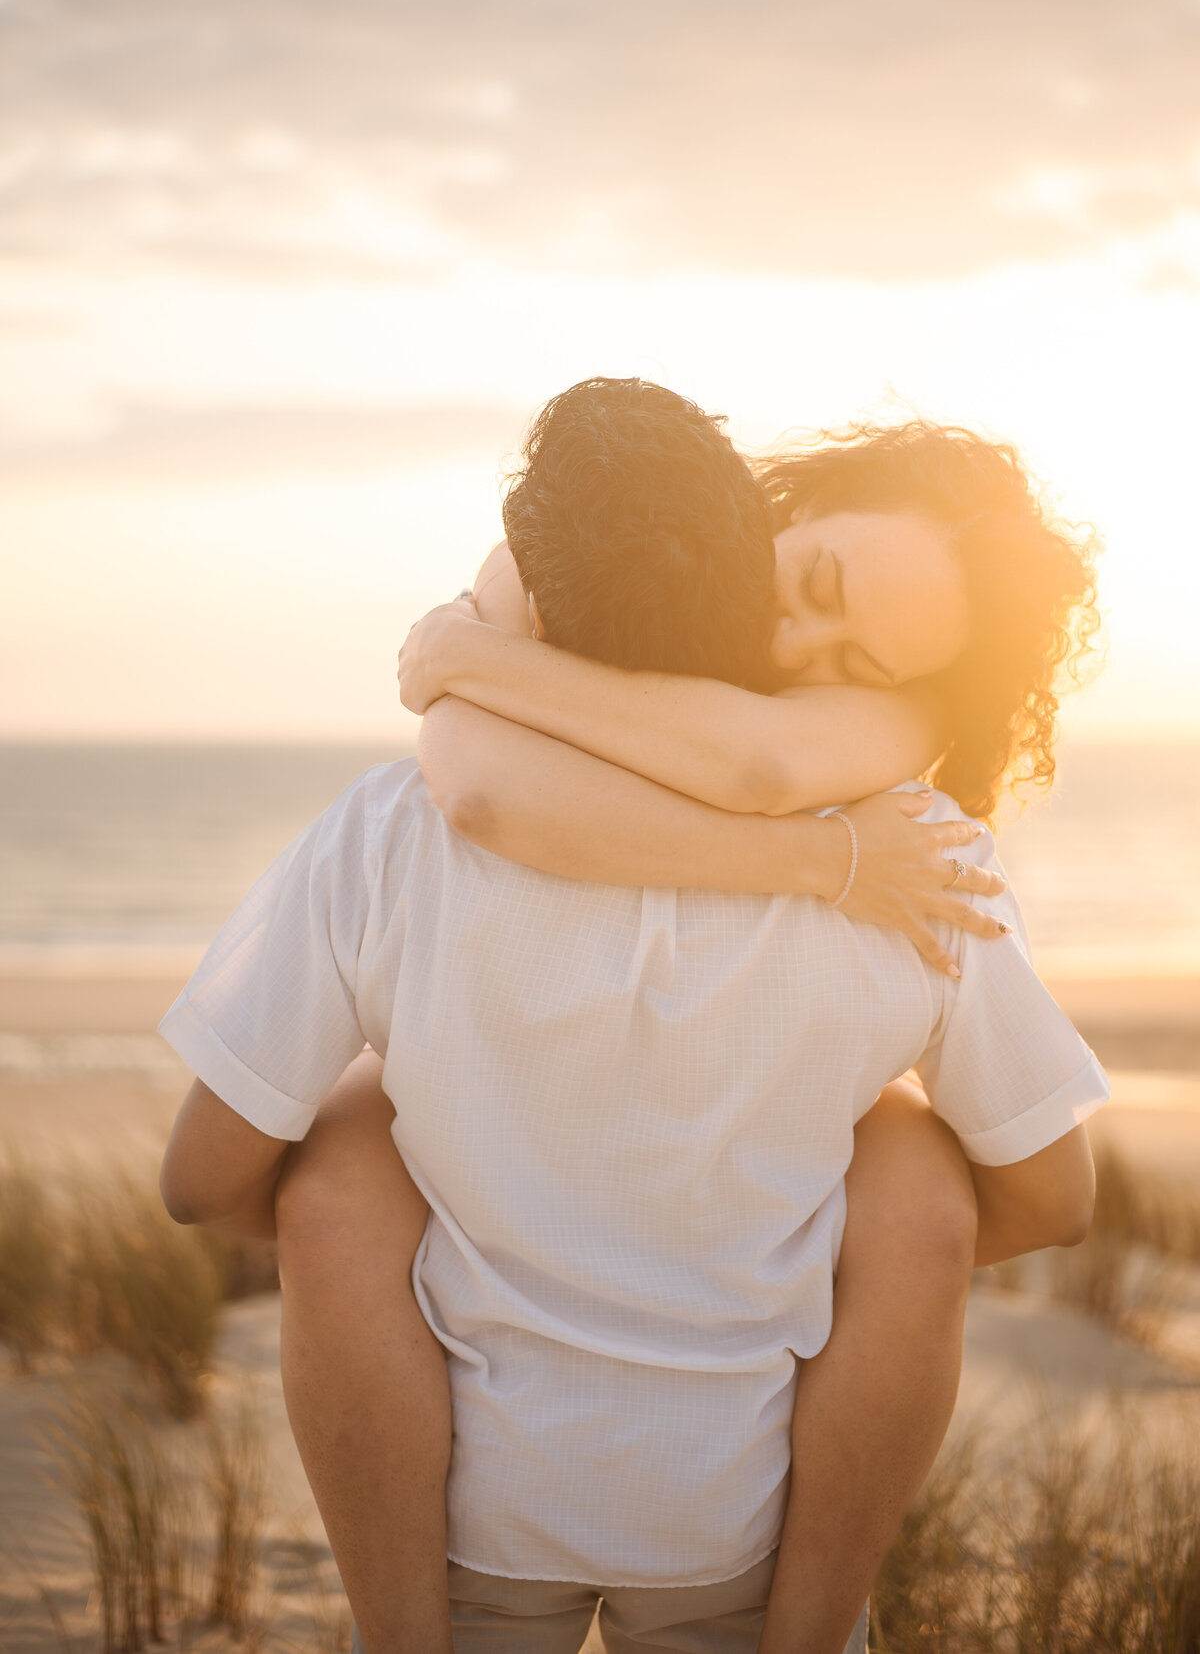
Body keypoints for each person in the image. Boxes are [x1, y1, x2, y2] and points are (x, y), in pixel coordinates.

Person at [158, 378, 1106, 1654]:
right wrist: (835, 1234)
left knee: (344, 1146)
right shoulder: (918, 864)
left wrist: (415, 1185)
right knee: (914, 1159)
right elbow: (1052, 1194)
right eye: (816, 584)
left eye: (855, 670)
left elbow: (206, 1178)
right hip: (746, 1525)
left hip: (466, 1516)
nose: (790, 648)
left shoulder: (401, 823)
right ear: (782, 499)